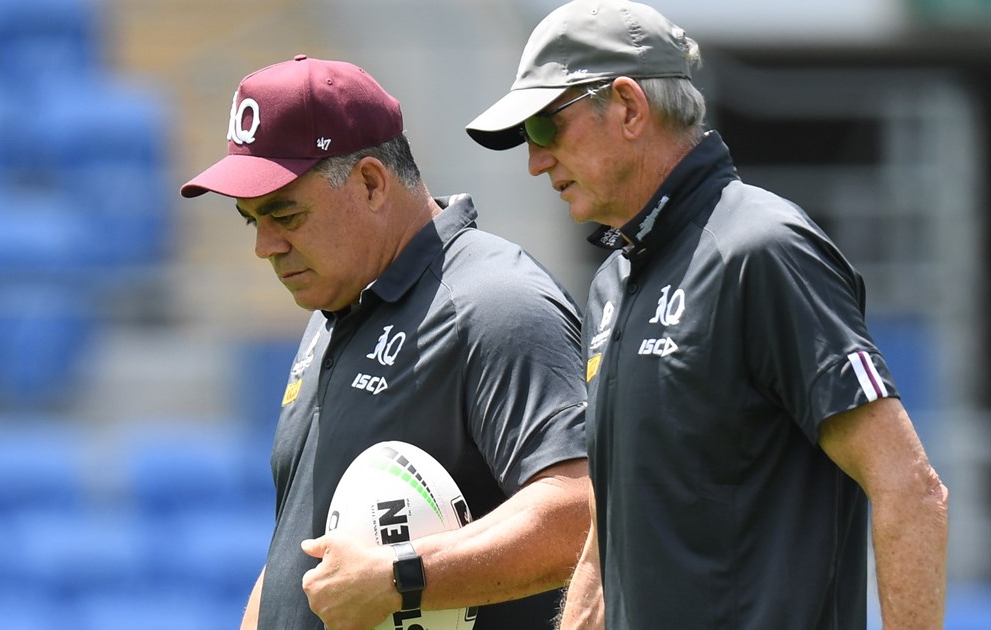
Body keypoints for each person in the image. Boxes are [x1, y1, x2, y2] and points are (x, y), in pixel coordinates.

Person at [463, 2, 950, 629]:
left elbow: (910, 489)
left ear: (630, 107)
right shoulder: (616, 278)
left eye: (545, 129)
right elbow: (614, 528)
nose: (535, 161)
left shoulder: (763, 250)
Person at [180, 54, 592, 630]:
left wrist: (402, 576)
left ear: (371, 183)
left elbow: (580, 512)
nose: (265, 246)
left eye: (286, 215)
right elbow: (299, 553)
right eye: (253, 221)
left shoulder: (494, 304)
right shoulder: (334, 311)